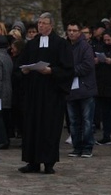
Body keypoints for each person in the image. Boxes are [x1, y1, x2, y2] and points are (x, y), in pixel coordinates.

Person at [18, 12, 73, 174]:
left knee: (49, 127)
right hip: (33, 92)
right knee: (31, 126)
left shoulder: (60, 44)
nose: (40, 25)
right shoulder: (32, 43)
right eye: (39, 23)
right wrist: (25, 70)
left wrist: (51, 71)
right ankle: (32, 161)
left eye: (44, 23)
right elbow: (20, 64)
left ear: (51, 25)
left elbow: (68, 69)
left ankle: (49, 162)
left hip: (51, 93)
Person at [65, 21, 97, 158]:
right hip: (70, 89)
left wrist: (70, 71)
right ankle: (77, 146)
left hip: (85, 87)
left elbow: (88, 65)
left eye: (74, 30)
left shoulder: (85, 47)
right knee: (73, 121)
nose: (71, 33)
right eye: (69, 30)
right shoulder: (65, 46)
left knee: (87, 120)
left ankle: (87, 147)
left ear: (79, 32)